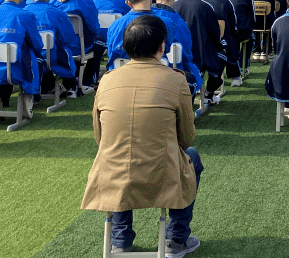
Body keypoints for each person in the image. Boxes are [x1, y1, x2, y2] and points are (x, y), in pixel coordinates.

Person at [81, 15, 203, 257]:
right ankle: (176, 238)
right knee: (192, 155)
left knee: (114, 154)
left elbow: (100, 137)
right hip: (161, 173)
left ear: (125, 47)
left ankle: (120, 238)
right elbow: (187, 138)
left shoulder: (106, 81)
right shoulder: (176, 79)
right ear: (162, 47)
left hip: (113, 173)